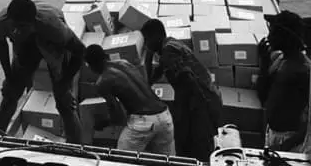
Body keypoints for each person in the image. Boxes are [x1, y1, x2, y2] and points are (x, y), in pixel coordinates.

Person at [0, 0, 85, 143]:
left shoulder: (53, 27)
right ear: (9, 20)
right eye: (15, 27)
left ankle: (76, 149)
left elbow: (80, 51)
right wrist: (8, 75)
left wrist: (64, 82)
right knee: (10, 94)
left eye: (23, 27)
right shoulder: (1, 22)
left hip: (52, 45)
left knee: (64, 102)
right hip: (24, 47)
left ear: (33, 22)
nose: (17, 30)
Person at [140, 19, 222, 161]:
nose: (146, 44)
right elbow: (158, 72)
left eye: (147, 40)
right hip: (207, 95)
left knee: (197, 148)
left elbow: (188, 81)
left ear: (156, 36)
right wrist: (148, 59)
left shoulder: (168, 54)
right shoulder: (171, 44)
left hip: (201, 101)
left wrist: (182, 112)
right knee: (192, 143)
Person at [85, 45, 175, 155]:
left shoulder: (103, 81)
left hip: (143, 122)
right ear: (106, 56)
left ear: (91, 66)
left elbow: (118, 116)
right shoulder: (125, 63)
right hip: (165, 116)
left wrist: (103, 123)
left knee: (122, 158)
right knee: (165, 161)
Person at [256, 11, 310, 152]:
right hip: (273, 134)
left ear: (285, 37)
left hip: (289, 142)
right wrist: (264, 63)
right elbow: (263, 96)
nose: (268, 37)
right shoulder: (279, 59)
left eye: (273, 33)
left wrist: (284, 146)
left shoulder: (303, 71)